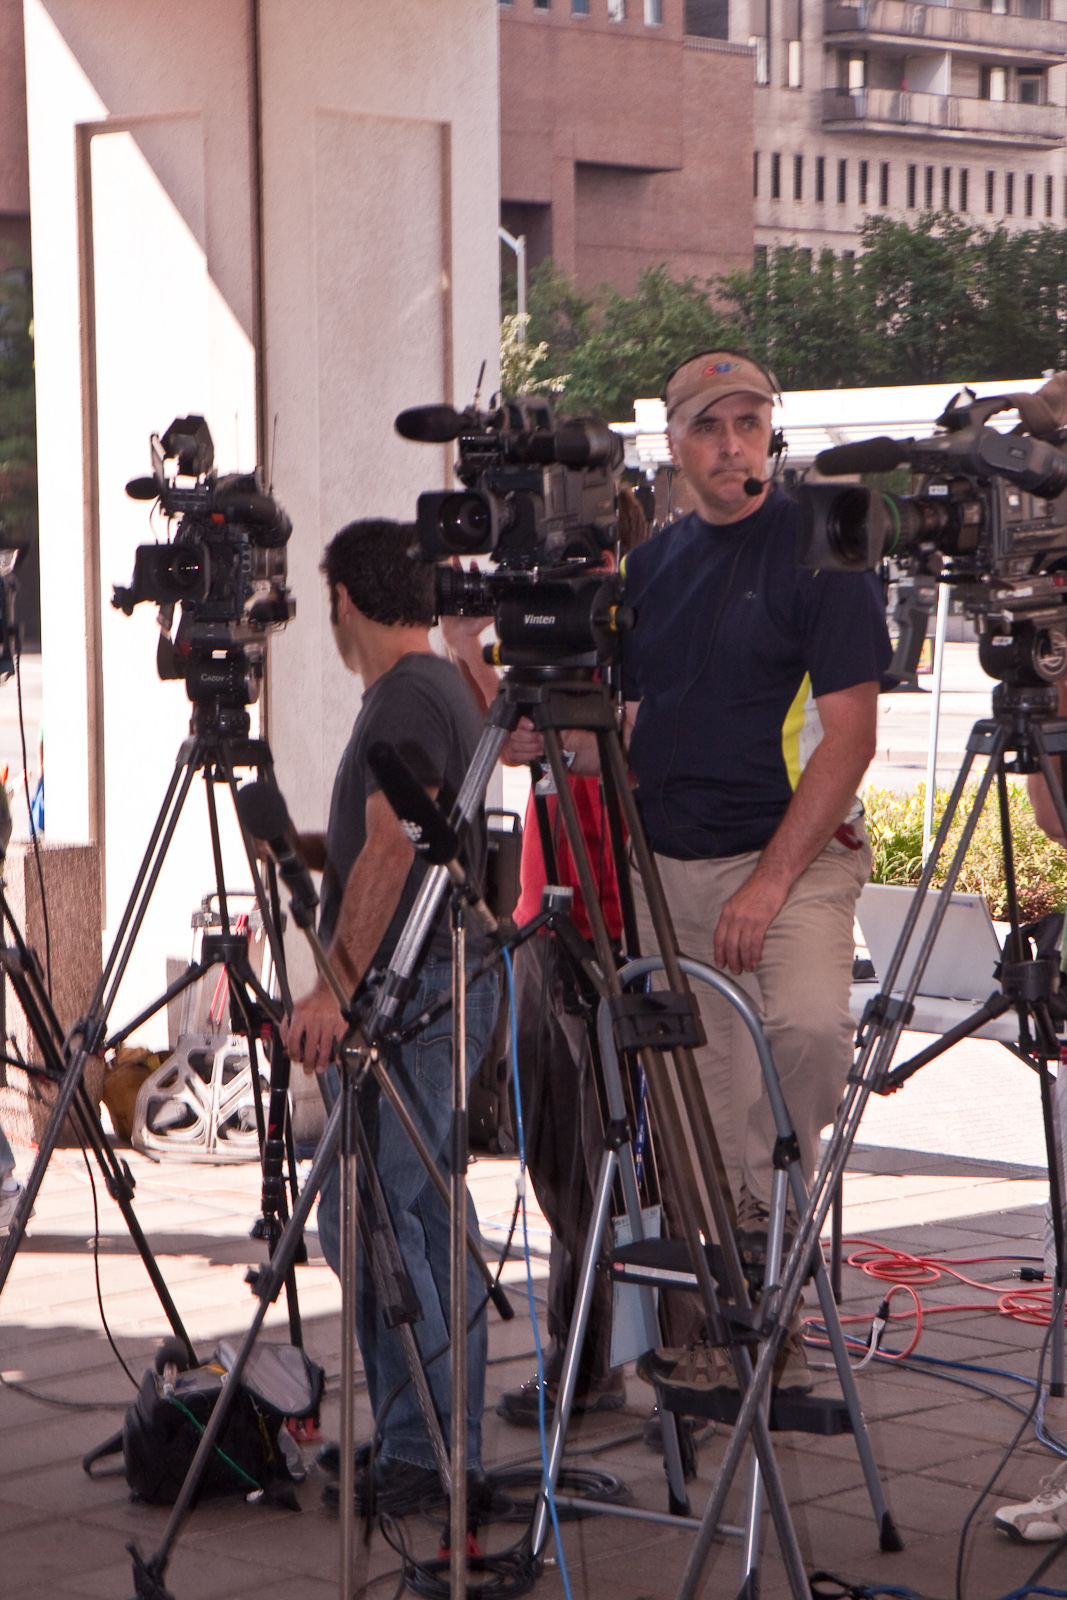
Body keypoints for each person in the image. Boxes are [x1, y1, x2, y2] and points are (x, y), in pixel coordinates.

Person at [540, 351, 892, 1393]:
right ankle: (736, 1314)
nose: (732, 442)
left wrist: (768, 883)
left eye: (749, 422)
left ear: (769, 435)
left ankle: (762, 1241)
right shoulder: (650, 570)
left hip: (789, 858)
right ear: (674, 444)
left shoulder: (820, 550)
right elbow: (634, 719)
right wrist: (543, 735)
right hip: (666, 866)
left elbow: (850, 736)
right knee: (684, 1096)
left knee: (802, 1030)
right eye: (709, 425)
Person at [280, 519, 499, 1514]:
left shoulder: (409, 692)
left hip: (412, 994)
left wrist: (332, 985)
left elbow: (396, 843)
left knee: (382, 1219)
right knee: (408, 1214)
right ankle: (421, 1438)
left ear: (344, 602)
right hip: (435, 980)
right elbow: (418, 827)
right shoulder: (436, 688)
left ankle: (426, 1450)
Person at [441, 488, 649, 1427]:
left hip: (609, 917)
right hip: (544, 910)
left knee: (589, 1151)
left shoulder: (624, 615)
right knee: (555, 1152)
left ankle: (591, 1359)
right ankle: (585, 1354)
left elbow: (588, 749)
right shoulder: (546, 623)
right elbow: (525, 745)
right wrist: (466, 649)